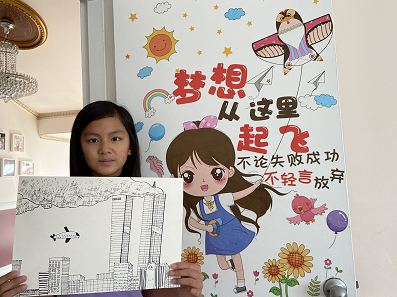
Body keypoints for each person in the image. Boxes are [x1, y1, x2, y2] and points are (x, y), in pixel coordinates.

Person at [0, 101, 203, 297]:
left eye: (115, 139)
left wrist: (183, 292)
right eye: (93, 140)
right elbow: (43, 282)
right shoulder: (53, 210)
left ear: (130, 145)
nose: (105, 148)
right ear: (80, 149)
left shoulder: (154, 202)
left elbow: (155, 289)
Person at [166, 115, 284, 294]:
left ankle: (241, 282)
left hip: (230, 229)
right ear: (175, 179)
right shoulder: (199, 206)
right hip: (214, 235)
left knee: (236, 255)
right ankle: (229, 266)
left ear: (229, 172)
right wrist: (206, 228)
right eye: (189, 176)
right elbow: (193, 222)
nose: (204, 181)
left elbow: (239, 194)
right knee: (221, 263)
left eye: (215, 172)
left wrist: (255, 186)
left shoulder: (222, 198)